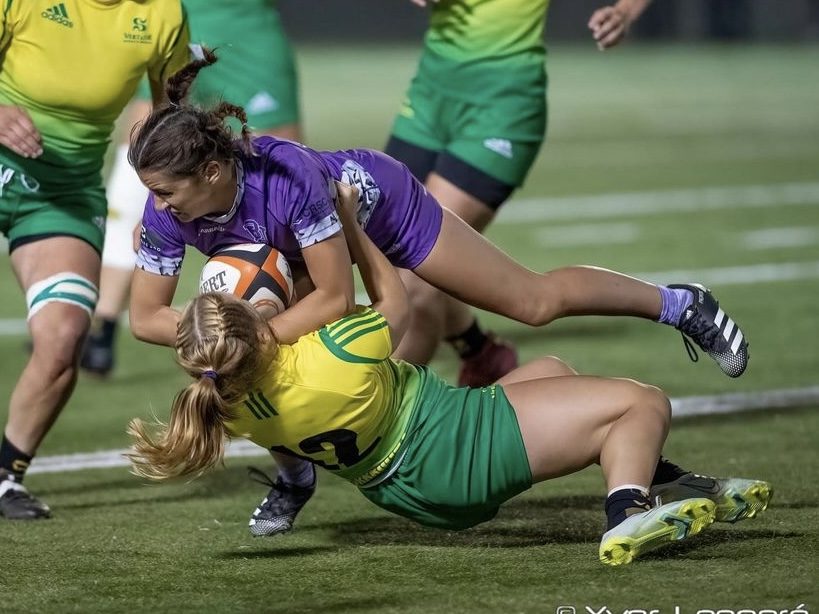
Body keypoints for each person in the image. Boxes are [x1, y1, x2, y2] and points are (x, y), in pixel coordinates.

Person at [126, 51, 749, 535]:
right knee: (243, 375)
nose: (157, 207)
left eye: (165, 192)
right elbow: (144, 318)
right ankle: (296, 477)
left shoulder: (290, 178)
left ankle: (678, 304)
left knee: (533, 303)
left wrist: (249, 336)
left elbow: (335, 299)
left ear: (212, 172)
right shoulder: (168, 211)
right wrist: (220, 338)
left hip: (374, 213)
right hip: (300, 262)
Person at [126, 199, 771, 566]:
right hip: (450, 444)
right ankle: (627, 512)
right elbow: (397, 298)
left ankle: (672, 481)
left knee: (555, 374)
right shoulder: (331, 352)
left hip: (405, 489)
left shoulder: (226, 401)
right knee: (641, 403)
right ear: (259, 324)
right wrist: (351, 226)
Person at [385, 0, 654, 386]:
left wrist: (625, 11)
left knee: (417, 278)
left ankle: (379, 414)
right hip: (431, 93)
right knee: (387, 243)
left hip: (503, 105)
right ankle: (479, 351)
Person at [0, 0, 190, 520]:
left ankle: (6, 476)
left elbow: (168, 123)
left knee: (64, 336)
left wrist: (159, 208)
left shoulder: (164, 14)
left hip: (59, 197)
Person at [81, 0, 302, 377]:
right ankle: (101, 323)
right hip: (178, 21)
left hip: (236, 25)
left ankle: (101, 328)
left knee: (274, 174)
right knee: (147, 151)